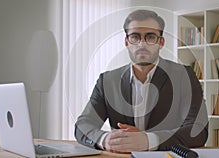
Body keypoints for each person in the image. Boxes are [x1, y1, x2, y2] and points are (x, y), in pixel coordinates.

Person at [74, 9, 208, 153]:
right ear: (126, 42)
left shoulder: (184, 76)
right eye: (135, 37)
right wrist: (105, 139)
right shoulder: (107, 81)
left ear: (161, 42)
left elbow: (198, 130)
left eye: (150, 37)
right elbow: (83, 125)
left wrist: (148, 140)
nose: (142, 44)